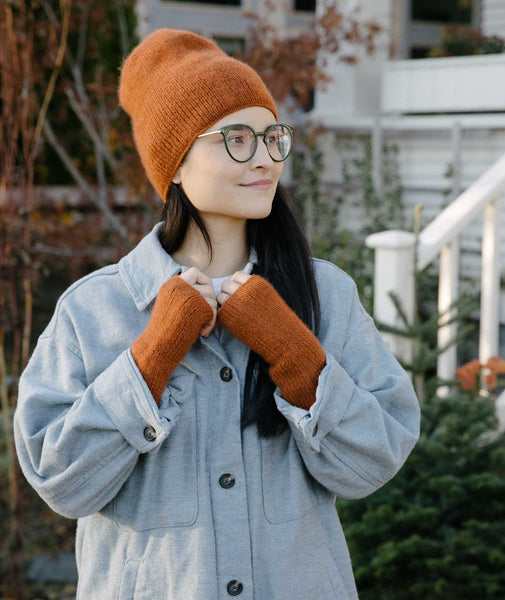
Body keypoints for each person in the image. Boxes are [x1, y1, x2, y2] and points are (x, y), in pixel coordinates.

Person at [13, 28, 420, 600]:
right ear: (176, 165)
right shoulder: (94, 309)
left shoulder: (324, 293)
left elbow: (374, 460)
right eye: (237, 139)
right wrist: (153, 355)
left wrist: (294, 353)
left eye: (272, 137)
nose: (265, 159)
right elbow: (61, 481)